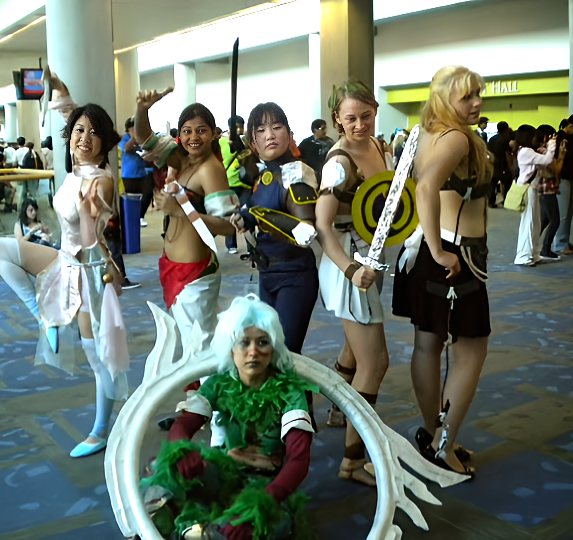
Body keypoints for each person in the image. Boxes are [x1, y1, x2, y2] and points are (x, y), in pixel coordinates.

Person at [0, 70, 130, 458]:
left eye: (92, 134)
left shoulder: (100, 181)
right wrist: (59, 89)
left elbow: (89, 239)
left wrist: (86, 214)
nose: (83, 138)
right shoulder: (76, 160)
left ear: (104, 145)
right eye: (78, 131)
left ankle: (101, 430)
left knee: (99, 359)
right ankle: (43, 315)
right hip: (65, 259)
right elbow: (69, 114)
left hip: (90, 273)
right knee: (0, 249)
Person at [140, 295, 316, 540]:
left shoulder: (290, 391)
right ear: (231, 348)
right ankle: (154, 528)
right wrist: (182, 451)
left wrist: (259, 504)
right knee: (164, 468)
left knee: (249, 528)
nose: (253, 351)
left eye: (262, 342)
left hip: (269, 487)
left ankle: (201, 529)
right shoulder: (218, 384)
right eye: (244, 342)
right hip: (223, 472)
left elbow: (299, 460)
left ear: (272, 349)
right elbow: (184, 424)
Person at [392, 66, 492, 477]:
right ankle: (443, 444)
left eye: (478, 95)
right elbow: (427, 187)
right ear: (445, 98)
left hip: (431, 252)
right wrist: (438, 248)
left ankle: (436, 433)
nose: (477, 103)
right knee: (470, 351)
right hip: (453, 255)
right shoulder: (454, 138)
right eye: (467, 96)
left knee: (428, 345)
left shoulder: (426, 133)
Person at [315, 79, 390, 486]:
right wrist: (350, 270)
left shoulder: (377, 147)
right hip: (347, 263)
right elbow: (323, 227)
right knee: (376, 363)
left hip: (367, 256)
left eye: (366, 115)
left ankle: (337, 409)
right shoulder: (339, 162)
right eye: (350, 118)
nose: (359, 125)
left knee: (353, 346)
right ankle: (352, 461)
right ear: (336, 120)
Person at [134, 89, 239, 351]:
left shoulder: (210, 170)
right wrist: (142, 108)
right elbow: (145, 138)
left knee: (199, 349)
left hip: (194, 274)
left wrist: (180, 209)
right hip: (172, 267)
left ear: (214, 133)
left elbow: (228, 226)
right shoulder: (182, 162)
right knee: (191, 344)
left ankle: (206, 393)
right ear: (179, 136)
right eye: (187, 131)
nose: (194, 137)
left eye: (201, 130)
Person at [232, 103, 318, 356]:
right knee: (271, 353)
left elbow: (305, 232)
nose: (270, 134)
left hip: (295, 275)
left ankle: (298, 397)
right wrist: (246, 218)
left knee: (285, 354)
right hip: (267, 272)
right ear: (253, 142)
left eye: (277, 127)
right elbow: (262, 211)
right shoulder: (263, 176)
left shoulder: (295, 173)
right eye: (261, 130)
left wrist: (261, 216)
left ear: (289, 134)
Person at [512, 125, 556, 266]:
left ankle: (533, 253)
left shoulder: (526, 151)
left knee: (535, 222)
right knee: (529, 222)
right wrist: (552, 144)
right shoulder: (525, 151)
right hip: (528, 189)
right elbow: (547, 160)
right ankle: (523, 256)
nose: (536, 137)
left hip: (532, 189)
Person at [552, 113, 573, 254]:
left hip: (571, 176)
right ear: (571, 125)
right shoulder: (559, 138)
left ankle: (564, 240)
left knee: (569, 211)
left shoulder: (570, 139)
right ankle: (559, 244)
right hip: (563, 177)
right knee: (563, 212)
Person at [221, 115, 254, 254]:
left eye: (242, 125)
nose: (240, 129)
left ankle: (251, 245)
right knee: (231, 214)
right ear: (231, 128)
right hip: (229, 183)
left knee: (247, 213)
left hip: (246, 183)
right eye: (238, 126)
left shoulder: (246, 141)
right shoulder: (221, 142)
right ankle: (231, 244)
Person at [535, 124, 565, 260]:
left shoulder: (540, 150)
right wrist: (562, 155)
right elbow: (555, 169)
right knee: (555, 220)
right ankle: (545, 250)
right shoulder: (543, 151)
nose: (554, 139)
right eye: (552, 136)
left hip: (545, 188)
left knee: (545, 220)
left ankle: (533, 245)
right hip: (546, 189)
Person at [118, 117, 154, 228]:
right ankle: (130, 220)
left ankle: (140, 217)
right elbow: (127, 149)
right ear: (128, 129)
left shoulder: (142, 139)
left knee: (148, 193)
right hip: (129, 174)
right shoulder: (125, 139)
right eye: (133, 128)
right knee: (130, 199)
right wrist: (133, 136)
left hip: (142, 173)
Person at [487, 121, 513, 207]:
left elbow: (488, 152)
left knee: (492, 183)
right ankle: (506, 200)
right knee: (507, 183)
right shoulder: (506, 139)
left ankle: (490, 201)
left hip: (493, 163)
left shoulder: (492, 139)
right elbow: (507, 153)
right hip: (503, 164)